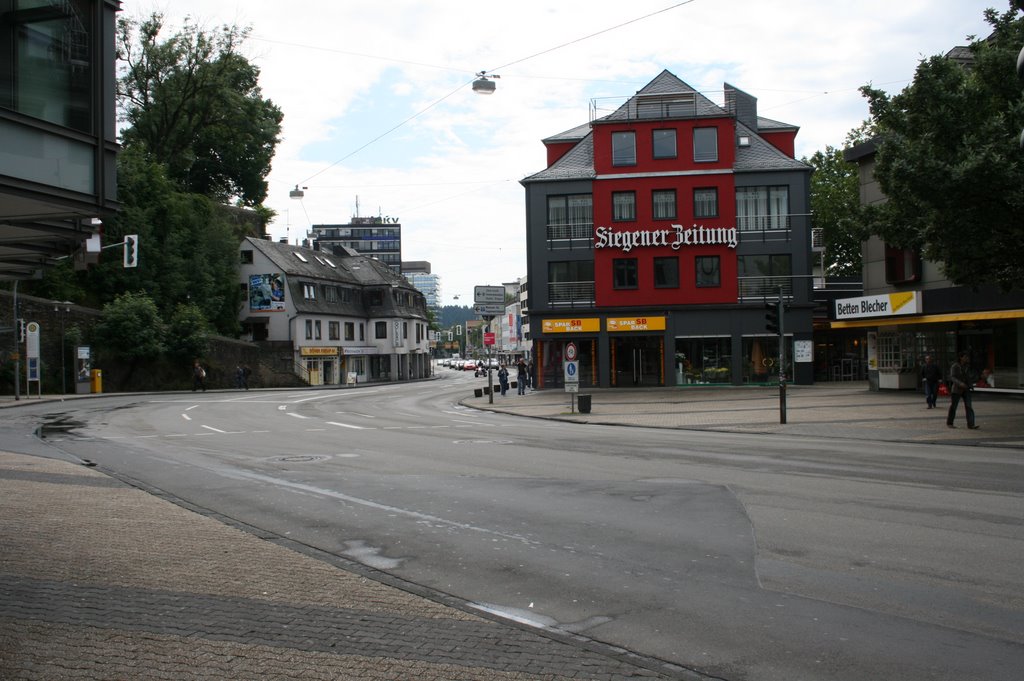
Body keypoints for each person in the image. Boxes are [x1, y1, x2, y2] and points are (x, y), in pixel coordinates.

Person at [946, 352, 978, 429]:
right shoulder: (955, 366)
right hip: (957, 389)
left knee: (969, 406)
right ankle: (950, 422)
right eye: (965, 357)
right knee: (954, 406)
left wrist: (970, 385)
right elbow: (952, 377)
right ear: (961, 358)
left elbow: (968, 377)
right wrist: (960, 384)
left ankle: (971, 424)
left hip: (966, 388)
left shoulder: (967, 366)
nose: (967, 358)